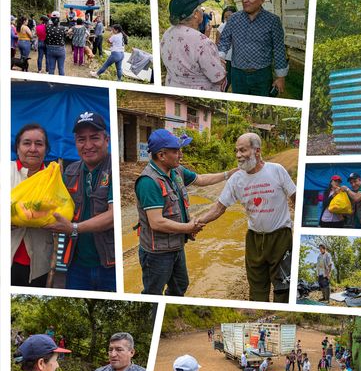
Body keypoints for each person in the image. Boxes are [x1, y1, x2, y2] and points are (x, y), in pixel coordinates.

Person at [134, 129, 237, 296]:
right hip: (157, 253)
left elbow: (201, 179)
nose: (180, 155)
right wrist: (188, 228)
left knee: (180, 285)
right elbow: (157, 222)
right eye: (176, 151)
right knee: (153, 293)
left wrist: (229, 174)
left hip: (175, 246)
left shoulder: (176, 171)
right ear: (161, 155)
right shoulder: (148, 182)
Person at [197, 132, 296, 302]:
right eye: (236, 151)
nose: (238, 155)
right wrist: (197, 223)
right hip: (254, 240)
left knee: (284, 288)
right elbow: (219, 208)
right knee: (257, 290)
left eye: (242, 150)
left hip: (281, 238)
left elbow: (296, 198)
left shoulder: (276, 170)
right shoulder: (236, 180)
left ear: (257, 151)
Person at [45, 112, 115, 291]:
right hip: (77, 265)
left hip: (111, 265)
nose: (88, 145)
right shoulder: (70, 171)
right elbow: (52, 207)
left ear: (106, 140)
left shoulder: (115, 169)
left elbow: (114, 215)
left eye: (94, 138)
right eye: (81, 139)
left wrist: (74, 228)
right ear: (75, 143)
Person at [218, 0, 288, 97]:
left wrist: (280, 77)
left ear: (262, 0)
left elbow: (279, 49)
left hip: (262, 75)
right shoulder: (234, 19)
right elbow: (224, 40)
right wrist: (220, 57)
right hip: (238, 74)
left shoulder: (272, 21)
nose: (245, 0)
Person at [11, 124, 54, 287]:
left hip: (38, 264)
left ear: (46, 149)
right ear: (18, 147)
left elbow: (61, 211)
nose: (33, 149)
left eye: (39, 144)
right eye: (27, 143)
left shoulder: (52, 179)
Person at [160, 0, 226, 91]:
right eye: (200, 8)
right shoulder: (203, 42)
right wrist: (221, 64)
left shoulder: (168, 33)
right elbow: (219, 78)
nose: (202, 11)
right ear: (195, 14)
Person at [215, 6, 237, 90]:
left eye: (230, 16)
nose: (228, 18)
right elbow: (217, 44)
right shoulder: (221, 27)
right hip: (226, 59)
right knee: (227, 80)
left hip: (238, 59)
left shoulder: (242, 26)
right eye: (226, 17)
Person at [45, 11, 67, 75]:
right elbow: (64, 38)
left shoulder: (47, 27)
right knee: (61, 68)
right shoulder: (62, 28)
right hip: (60, 49)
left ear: (51, 19)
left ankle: (51, 84)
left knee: (51, 68)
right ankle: (61, 83)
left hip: (50, 49)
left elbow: (46, 37)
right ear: (59, 19)